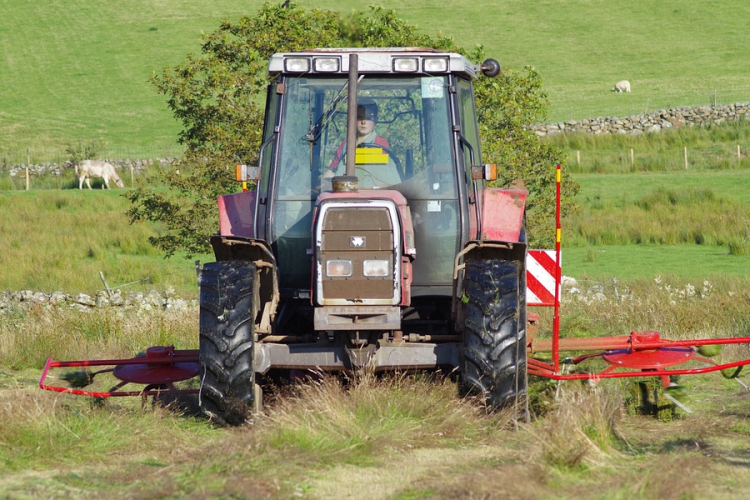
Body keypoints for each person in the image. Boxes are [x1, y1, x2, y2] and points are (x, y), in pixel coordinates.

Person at [324, 100, 389, 178]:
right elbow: (331, 171)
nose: (363, 121)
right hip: (344, 187)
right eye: (359, 117)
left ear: (376, 120)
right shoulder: (345, 145)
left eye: (368, 117)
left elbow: (381, 173)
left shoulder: (380, 143)